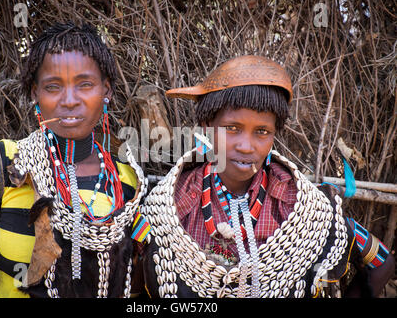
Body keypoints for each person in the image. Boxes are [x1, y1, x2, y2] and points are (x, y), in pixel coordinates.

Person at [141, 55, 394, 298]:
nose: (246, 146)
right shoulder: (171, 204)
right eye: (232, 128)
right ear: (207, 125)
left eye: (261, 131)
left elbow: (382, 261)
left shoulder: (303, 206)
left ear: (274, 134)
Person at [0, 22, 148, 298]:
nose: (69, 100)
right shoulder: (0, 165)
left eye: (85, 84)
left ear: (107, 91)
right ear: (35, 93)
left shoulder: (126, 183)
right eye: (53, 86)